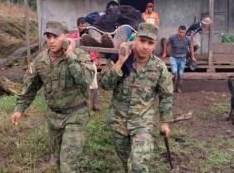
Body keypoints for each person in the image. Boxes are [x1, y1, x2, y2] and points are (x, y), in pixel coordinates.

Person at [11, 21, 95, 172]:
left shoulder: (79, 55)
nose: (51, 40)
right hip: (54, 118)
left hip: (76, 116)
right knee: (57, 161)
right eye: (48, 36)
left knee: (67, 166)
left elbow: (86, 80)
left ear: (66, 37)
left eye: (56, 36)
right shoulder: (40, 61)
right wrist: (19, 108)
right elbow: (30, 88)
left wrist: (69, 55)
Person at [99, 22, 173, 172]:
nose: (145, 46)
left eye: (150, 43)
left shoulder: (159, 67)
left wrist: (165, 122)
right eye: (142, 41)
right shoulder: (119, 59)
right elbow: (105, 84)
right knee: (127, 163)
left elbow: (166, 96)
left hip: (142, 124)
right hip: (118, 123)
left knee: (138, 166)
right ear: (135, 39)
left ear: (154, 46)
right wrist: (120, 61)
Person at [69, 17, 100, 111]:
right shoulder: (74, 37)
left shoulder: (90, 35)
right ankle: (83, 104)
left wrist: (96, 59)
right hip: (79, 63)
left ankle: (95, 104)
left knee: (94, 85)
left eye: (85, 25)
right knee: (81, 85)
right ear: (77, 26)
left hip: (91, 62)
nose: (83, 27)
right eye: (81, 25)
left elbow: (95, 48)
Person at [162, 25, 195, 93]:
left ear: (185, 32)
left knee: (180, 74)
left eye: (183, 32)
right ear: (178, 31)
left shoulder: (187, 39)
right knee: (174, 72)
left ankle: (178, 87)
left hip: (183, 59)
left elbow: (191, 47)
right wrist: (165, 52)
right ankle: (173, 85)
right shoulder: (172, 37)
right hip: (173, 57)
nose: (182, 34)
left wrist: (192, 57)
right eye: (180, 32)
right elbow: (166, 43)